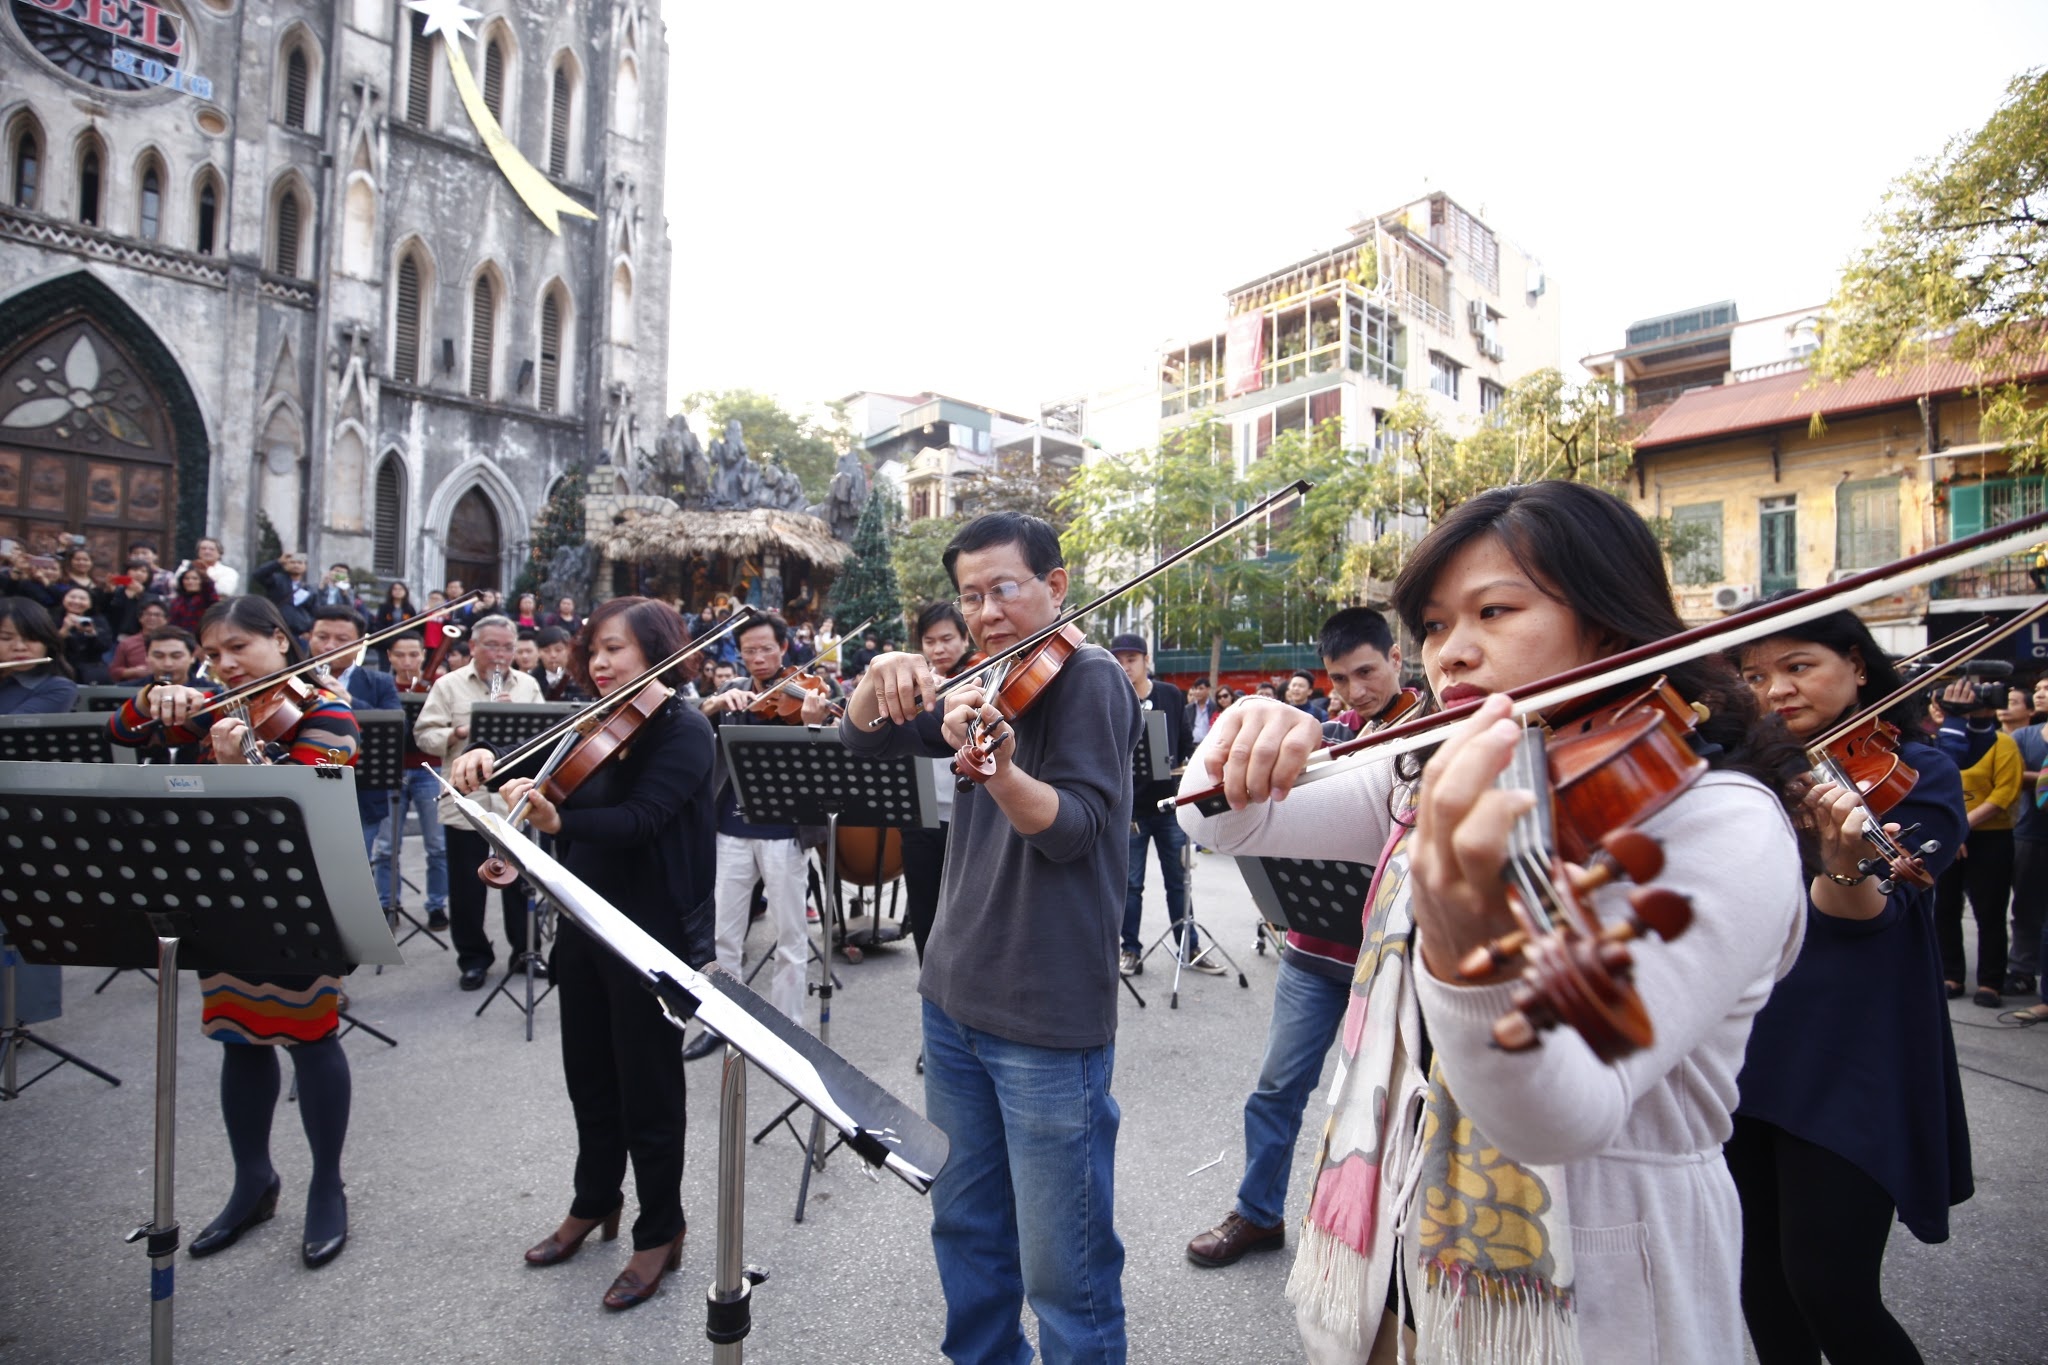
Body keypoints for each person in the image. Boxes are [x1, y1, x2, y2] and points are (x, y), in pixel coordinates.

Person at [1178, 482, 1806, 1365]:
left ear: (1608, 622)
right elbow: (1219, 819)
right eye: (1436, 625)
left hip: (1597, 1301)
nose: (1452, 653)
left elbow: (1559, 1113)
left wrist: (1468, 952)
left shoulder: (1719, 823)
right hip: (1397, 1255)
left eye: (1494, 611)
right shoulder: (1433, 772)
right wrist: (1249, 728)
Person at [842, 511, 1140, 1363]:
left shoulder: (1091, 678)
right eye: (970, 596)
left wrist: (1002, 771)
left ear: (1056, 584)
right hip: (952, 998)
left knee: (1064, 1265)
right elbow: (859, 740)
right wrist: (877, 680)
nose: (986, 611)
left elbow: (1076, 830)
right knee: (965, 1225)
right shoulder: (980, 675)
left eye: (1003, 588)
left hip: (1045, 1014)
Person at [1727, 607, 1972, 1365]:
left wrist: (1840, 863)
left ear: (1858, 666)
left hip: (1851, 1051)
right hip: (1746, 1047)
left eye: (1797, 666)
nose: (1775, 690)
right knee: (1758, 1283)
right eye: (1754, 676)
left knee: (1829, 1283)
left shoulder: (1918, 770)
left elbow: (1868, 914)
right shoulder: (1741, 775)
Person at [467, 598, 717, 1311]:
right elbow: (541, 784)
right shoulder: (596, 721)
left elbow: (639, 821)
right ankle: (594, 1198)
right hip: (582, 922)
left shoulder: (684, 728)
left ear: (657, 648)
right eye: (595, 650)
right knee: (590, 1077)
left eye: (615, 648)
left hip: (649, 932)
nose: (601, 663)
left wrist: (559, 819)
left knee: (650, 1089)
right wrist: (493, 775)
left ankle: (661, 1228)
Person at [106, 594, 359, 1268]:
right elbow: (123, 733)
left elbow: (306, 808)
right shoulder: (219, 708)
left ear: (278, 639)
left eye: (238, 648)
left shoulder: (327, 711)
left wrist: (239, 770)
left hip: (298, 897)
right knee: (238, 1036)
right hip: (222, 894)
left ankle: (327, 1185)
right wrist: (153, 699)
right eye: (213, 654)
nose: (224, 664)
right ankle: (253, 1181)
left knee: (311, 1036)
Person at [1183, 606, 1418, 1270]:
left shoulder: (1424, 741)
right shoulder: (1328, 738)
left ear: (1396, 659)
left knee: (1384, 1103)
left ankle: (1376, 1242)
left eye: (1367, 672)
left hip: (1391, 961)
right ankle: (1258, 1212)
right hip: (1315, 952)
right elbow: (1223, 821)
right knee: (1277, 1088)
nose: (1355, 691)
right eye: (1340, 679)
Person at [692, 613, 833, 1058]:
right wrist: (715, 704)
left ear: (784, 648)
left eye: (766, 649)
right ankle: (721, 1023)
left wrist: (813, 725)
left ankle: (788, 1031)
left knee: (791, 935)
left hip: (783, 831)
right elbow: (689, 722)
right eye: (749, 650)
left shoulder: (808, 692)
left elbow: (831, 753)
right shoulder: (731, 691)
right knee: (724, 934)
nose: (757, 658)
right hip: (730, 829)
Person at [414, 614, 545, 990]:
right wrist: (461, 730)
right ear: (473, 647)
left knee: (521, 883)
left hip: (513, 802)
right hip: (466, 801)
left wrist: (514, 719)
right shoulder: (449, 684)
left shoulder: (528, 685)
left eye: (508, 647)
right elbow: (423, 735)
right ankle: (473, 958)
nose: (501, 654)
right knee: (466, 888)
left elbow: (544, 737)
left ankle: (526, 951)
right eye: (492, 646)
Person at [1109, 631, 1205, 979]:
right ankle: (1130, 950)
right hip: (1131, 808)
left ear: (1146, 660)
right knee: (1131, 884)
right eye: (1119, 660)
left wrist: (1190, 767)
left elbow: (1185, 743)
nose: (1125, 667)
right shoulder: (1112, 695)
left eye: (1131, 660)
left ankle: (1189, 947)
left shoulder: (1170, 694)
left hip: (1169, 807)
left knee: (1178, 880)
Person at [1931, 676, 2023, 1006]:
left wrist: (1961, 827)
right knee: (1944, 907)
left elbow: (2004, 793)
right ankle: (1951, 974)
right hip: (1949, 834)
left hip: (1989, 835)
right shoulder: (1939, 743)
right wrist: (1953, 831)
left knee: (1990, 910)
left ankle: (1990, 981)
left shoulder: (2001, 742)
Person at [899, 602, 981, 962]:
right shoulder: (914, 687)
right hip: (921, 815)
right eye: (929, 641)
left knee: (968, 913)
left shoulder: (980, 679)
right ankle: (928, 975)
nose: (939, 649)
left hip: (968, 818)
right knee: (924, 909)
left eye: (947, 639)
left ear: (965, 638)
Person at [308, 607, 401, 863]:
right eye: (322, 637)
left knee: (354, 867)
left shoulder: (379, 682)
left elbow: (396, 726)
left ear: (359, 644)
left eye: (341, 640)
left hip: (360, 793)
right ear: (309, 637)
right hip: (305, 791)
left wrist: (348, 700)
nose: (329, 646)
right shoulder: (292, 678)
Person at [373, 634, 449, 933]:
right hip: (390, 770)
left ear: (423, 656)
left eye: (414, 655)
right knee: (385, 848)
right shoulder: (382, 687)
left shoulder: (438, 685)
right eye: (400, 655)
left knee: (437, 845)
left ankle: (436, 905)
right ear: (390, 657)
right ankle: (387, 904)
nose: (407, 662)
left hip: (428, 769)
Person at [1999, 680, 2046, 996]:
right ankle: (2022, 970)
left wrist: (2034, 778)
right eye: (2039, 688)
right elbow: (2009, 777)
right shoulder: (2023, 737)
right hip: (2029, 830)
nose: (2041, 693)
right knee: (2026, 906)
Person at [0, 597, 78, 714]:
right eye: (6, 638)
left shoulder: (58, 688)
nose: (20, 647)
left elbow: (9, 725)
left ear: (47, 642)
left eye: (32, 639)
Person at [55, 584, 112, 683]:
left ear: (90, 604)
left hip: (90, 670)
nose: (76, 601)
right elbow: (48, 646)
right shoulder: (53, 618)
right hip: (61, 668)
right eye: (72, 597)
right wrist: (64, 630)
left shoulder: (99, 621)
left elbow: (104, 646)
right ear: (64, 599)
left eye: (82, 599)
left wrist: (91, 633)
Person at [253, 553, 315, 635]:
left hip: (301, 633)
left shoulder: (309, 589)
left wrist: (310, 631)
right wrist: (278, 562)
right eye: (292, 562)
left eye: (300, 563)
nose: (296, 565)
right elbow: (258, 575)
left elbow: (314, 612)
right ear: (285, 566)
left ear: (305, 567)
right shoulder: (276, 580)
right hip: (278, 628)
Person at [109, 599, 170, 682]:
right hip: (135, 686)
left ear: (166, 619)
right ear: (140, 618)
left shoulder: (175, 643)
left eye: (157, 615)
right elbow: (114, 672)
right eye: (148, 614)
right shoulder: (127, 643)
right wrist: (134, 672)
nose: (152, 618)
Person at [532, 625, 590, 702]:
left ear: (568, 650)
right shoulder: (532, 680)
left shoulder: (581, 678)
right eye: (546, 651)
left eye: (558, 650)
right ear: (538, 652)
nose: (553, 655)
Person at [176, 535, 241, 596]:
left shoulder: (228, 572)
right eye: (203, 549)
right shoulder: (187, 566)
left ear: (219, 553)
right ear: (198, 552)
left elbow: (225, 590)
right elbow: (176, 584)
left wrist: (202, 577)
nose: (207, 552)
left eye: (211, 549)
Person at [169, 565, 218, 633]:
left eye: (195, 579)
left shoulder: (205, 598)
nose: (190, 582)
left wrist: (205, 575)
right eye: (187, 579)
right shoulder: (177, 601)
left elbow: (210, 592)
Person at [1185, 678, 1219, 746]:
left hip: (1209, 745)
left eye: (1201, 688)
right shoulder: (1188, 708)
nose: (1197, 691)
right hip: (1192, 744)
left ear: (1208, 689)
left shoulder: (1214, 707)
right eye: (1195, 689)